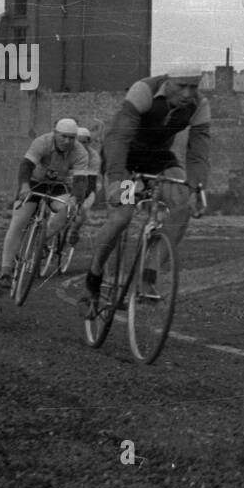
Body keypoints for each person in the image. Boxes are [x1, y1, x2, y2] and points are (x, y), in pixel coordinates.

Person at [78, 66, 209, 311]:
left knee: (182, 206)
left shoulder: (200, 105)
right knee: (123, 215)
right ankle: (94, 277)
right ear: (168, 82)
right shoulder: (144, 90)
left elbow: (198, 152)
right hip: (126, 157)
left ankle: (149, 277)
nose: (188, 93)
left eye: (194, 87)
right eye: (182, 86)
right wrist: (116, 179)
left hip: (158, 156)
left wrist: (197, 188)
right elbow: (120, 137)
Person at [0, 118, 89, 288]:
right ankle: (6, 270)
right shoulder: (42, 142)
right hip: (34, 183)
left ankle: (40, 242)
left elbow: (80, 180)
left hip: (58, 187)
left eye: (71, 137)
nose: (67, 141)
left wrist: (74, 198)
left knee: (68, 210)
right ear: (55, 133)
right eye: (63, 137)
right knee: (18, 221)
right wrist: (24, 186)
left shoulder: (80, 151)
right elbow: (26, 166)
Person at [67, 126, 100, 245]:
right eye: (78, 142)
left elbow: (90, 182)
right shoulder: (67, 152)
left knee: (83, 209)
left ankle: (75, 230)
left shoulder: (93, 156)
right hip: (68, 184)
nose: (81, 145)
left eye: (84, 142)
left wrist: (80, 199)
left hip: (86, 187)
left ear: (89, 142)